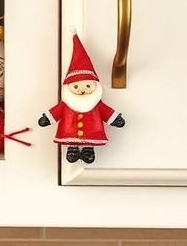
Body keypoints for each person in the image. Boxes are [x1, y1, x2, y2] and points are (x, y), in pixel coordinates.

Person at [38, 29, 125, 164]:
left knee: (89, 143)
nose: (83, 91)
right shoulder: (67, 103)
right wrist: (47, 118)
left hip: (92, 131)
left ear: (95, 86)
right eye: (77, 87)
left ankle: (88, 150)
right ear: (68, 87)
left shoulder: (96, 103)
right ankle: (72, 149)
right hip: (69, 131)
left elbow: (106, 112)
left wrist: (115, 119)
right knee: (71, 141)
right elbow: (57, 111)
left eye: (88, 86)